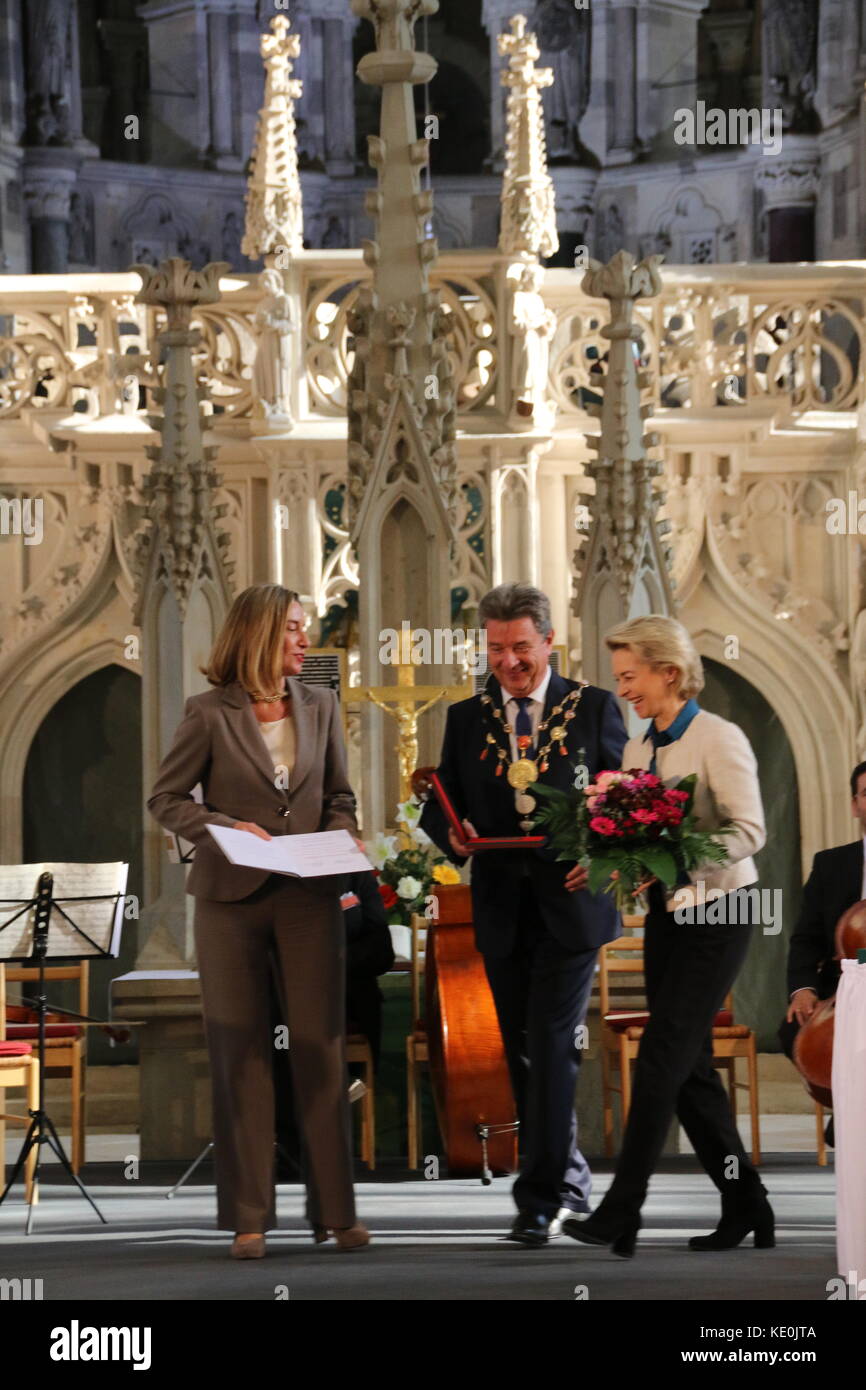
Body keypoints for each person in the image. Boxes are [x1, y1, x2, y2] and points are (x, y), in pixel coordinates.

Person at [147, 583, 369, 1257]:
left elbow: (339, 794)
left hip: (307, 898)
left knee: (320, 1051)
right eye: (295, 629)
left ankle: (336, 1213)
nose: (306, 639)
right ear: (260, 636)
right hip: (230, 900)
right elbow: (165, 798)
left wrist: (339, 835)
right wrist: (223, 824)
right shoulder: (208, 713)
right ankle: (249, 1217)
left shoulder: (322, 705)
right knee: (239, 1050)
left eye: (304, 629)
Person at [419, 582, 628, 1245]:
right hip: (503, 906)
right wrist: (447, 831)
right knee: (524, 1052)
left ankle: (537, 1198)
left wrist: (599, 852)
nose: (508, 662)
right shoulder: (465, 716)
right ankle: (565, 1177)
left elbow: (627, 798)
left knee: (551, 1042)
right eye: (495, 649)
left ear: (549, 642)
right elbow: (443, 800)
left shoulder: (593, 708)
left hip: (571, 902)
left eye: (520, 648)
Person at [564, 614, 770, 1257]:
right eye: (619, 677)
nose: (623, 688)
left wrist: (685, 856)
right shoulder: (637, 745)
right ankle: (749, 1205)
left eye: (631, 676)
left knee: (661, 1055)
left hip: (722, 910)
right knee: (691, 1073)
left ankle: (622, 1210)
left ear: (669, 673)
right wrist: (603, 858)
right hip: (667, 915)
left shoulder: (720, 737)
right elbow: (636, 833)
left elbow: (750, 831)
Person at [272, 870, 395, 1173]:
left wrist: (332, 960)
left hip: (349, 995)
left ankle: (322, 1136)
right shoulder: (278, 874)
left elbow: (381, 950)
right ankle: (291, 1145)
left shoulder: (357, 876)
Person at [777, 761, 866, 1147]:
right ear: (854, 805)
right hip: (843, 985)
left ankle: (852, 1113)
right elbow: (806, 938)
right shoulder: (831, 864)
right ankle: (844, 1105)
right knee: (794, 1029)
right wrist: (802, 990)